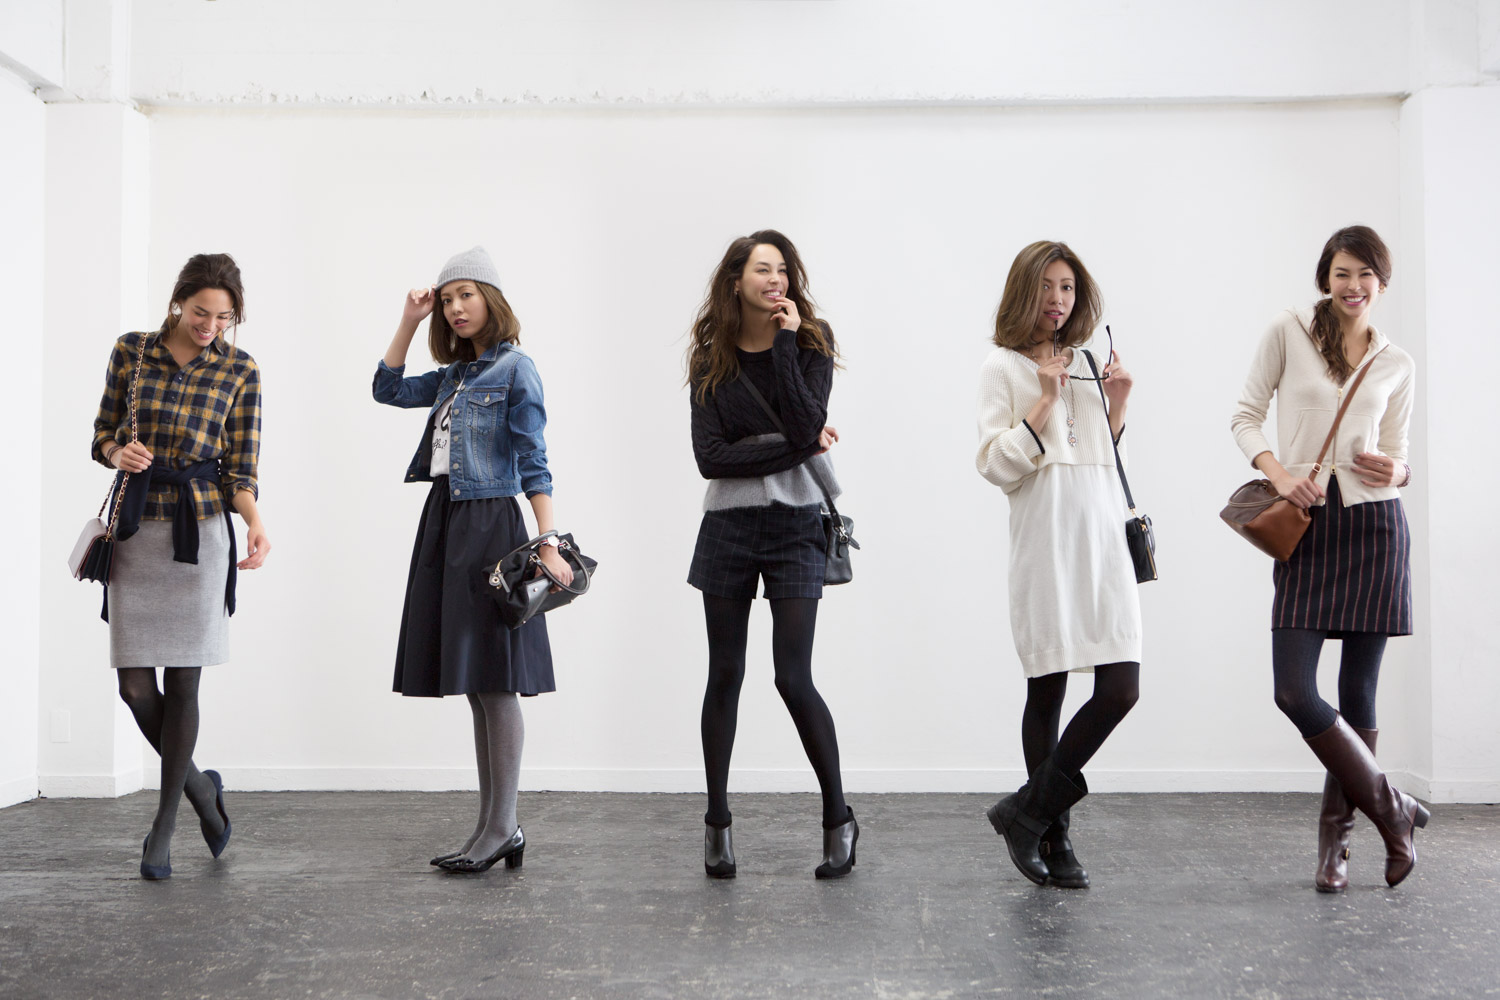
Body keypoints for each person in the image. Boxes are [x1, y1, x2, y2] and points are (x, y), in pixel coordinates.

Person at [1231, 225, 1425, 891]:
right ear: (1326, 278)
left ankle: (1336, 848)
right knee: (1294, 690)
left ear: (1382, 283)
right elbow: (1244, 417)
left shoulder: (1398, 363)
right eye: (1343, 272)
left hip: (1375, 528)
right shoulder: (1288, 333)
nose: (1353, 285)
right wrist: (1281, 476)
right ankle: (1394, 810)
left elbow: (1400, 457)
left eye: (1366, 274)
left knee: (1357, 693)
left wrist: (1397, 470)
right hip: (1308, 526)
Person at [373, 246, 570, 874]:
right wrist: (409, 320)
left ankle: (503, 826)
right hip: (446, 522)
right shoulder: (453, 376)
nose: (456, 307)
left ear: (492, 299)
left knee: (495, 680)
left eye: (467, 294)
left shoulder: (517, 370)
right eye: (448, 299)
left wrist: (547, 540)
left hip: (490, 527)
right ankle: (492, 826)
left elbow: (535, 460)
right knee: (476, 688)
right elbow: (386, 389)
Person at [686, 229, 857, 880]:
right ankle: (717, 824)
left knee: (793, 676)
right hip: (727, 525)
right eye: (762, 269)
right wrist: (797, 445)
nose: (775, 280)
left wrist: (786, 345)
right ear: (736, 282)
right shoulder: (711, 355)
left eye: (782, 269)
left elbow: (806, 418)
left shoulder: (811, 342)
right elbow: (711, 458)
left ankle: (839, 819)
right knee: (724, 674)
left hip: (795, 523)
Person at [93, 252, 270, 880]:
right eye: (201, 312)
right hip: (138, 528)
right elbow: (101, 433)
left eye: (223, 318)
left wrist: (255, 521)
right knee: (135, 688)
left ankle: (163, 828)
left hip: (202, 532)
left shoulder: (241, 369)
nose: (210, 326)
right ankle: (201, 790)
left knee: (186, 685)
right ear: (178, 302)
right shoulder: (132, 350)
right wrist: (118, 451)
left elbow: (240, 467)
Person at [975, 240, 1141, 889]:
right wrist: (1042, 401)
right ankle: (1055, 835)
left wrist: (1117, 402)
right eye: (1046, 286)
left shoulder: (1089, 362)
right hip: (1045, 542)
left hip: (1102, 541)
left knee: (1121, 687)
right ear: (1025, 290)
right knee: (1047, 688)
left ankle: (1028, 813)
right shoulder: (1002, 367)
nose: (1058, 299)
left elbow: (1100, 455)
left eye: (1068, 287)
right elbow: (995, 465)